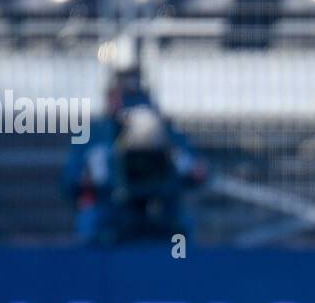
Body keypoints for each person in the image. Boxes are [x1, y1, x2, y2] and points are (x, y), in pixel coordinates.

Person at [63, 70, 207, 246]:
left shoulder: (165, 132)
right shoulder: (95, 135)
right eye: (120, 96)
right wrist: (86, 179)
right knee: (90, 222)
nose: (125, 104)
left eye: (132, 97)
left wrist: (190, 170)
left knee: (183, 227)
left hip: (161, 209)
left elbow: (197, 168)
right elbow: (69, 180)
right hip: (110, 210)